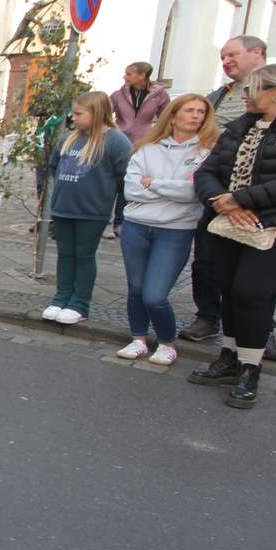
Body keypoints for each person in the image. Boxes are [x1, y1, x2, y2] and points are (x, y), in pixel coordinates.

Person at [188, 64, 276, 407]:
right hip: (228, 219)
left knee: (252, 292)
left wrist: (242, 199)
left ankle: (250, 368)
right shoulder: (242, 125)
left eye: (250, 89)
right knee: (227, 290)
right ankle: (230, 357)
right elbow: (207, 172)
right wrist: (222, 201)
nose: (244, 96)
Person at [114, 93, 218, 366]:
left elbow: (193, 192)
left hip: (176, 230)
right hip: (136, 226)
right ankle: (138, 338)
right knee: (136, 288)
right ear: (172, 116)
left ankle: (166, 342)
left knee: (155, 295)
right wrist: (168, 187)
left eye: (201, 112)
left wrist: (154, 183)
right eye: (189, 110)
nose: (196, 116)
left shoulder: (207, 152)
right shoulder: (147, 148)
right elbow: (131, 189)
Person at [182, 35, 271, 351]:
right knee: (206, 261)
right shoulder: (220, 95)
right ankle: (207, 316)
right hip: (217, 190)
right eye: (223, 57)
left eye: (232, 54)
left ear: (257, 53)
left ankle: (262, 329)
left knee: (255, 270)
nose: (226, 61)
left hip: (261, 196)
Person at [41, 90, 131, 325]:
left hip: (92, 212)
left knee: (84, 255)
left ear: (97, 113)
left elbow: (125, 176)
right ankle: (61, 297)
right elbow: (55, 166)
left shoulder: (116, 141)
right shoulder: (68, 139)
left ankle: (80, 303)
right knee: (65, 254)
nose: (74, 117)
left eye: (79, 113)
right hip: (63, 209)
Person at [108, 62, 171, 236]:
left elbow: (166, 118)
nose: (125, 77)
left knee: (129, 180)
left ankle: (120, 222)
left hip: (142, 143)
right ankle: (106, 221)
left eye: (129, 74)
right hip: (119, 141)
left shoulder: (159, 95)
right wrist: (112, 131)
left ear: (142, 76)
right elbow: (104, 114)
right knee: (112, 179)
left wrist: (158, 138)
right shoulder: (118, 95)